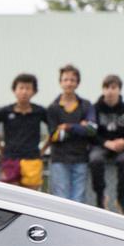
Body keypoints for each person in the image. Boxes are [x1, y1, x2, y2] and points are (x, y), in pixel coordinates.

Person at [46, 64, 96, 202]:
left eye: (72, 80)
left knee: (78, 200)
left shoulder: (86, 105)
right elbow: (55, 136)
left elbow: (91, 130)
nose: (69, 83)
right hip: (60, 159)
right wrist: (80, 127)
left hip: (81, 158)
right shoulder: (53, 108)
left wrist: (68, 127)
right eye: (66, 79)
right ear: (60, 82)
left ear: (77, 82)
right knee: (61, 200)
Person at [0, 73, 50, 189]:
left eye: (28, 88)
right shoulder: (5, 111)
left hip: (32, 158)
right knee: (9, 193)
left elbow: (54, 130)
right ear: (14, 90)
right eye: (21, 88)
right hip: (10, 157)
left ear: (34, 91)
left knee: (31, 196)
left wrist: (44, 149)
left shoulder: (39, 111)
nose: (24, 92)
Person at [89, 74, 124, 215]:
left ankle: (121, 196)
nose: (110, 91)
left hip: (121, 146)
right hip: (101, 144)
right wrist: (106, 143)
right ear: (102, 90)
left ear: (119, 90)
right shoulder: (94, 108)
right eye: (106, 87)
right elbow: (91, 132)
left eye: (113, 88)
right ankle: (99, 196)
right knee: (95, 159)